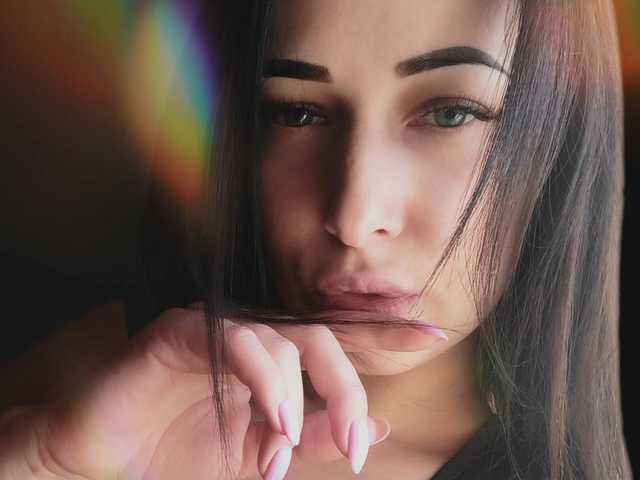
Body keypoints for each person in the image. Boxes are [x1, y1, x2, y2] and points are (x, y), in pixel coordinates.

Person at [0, 0, 633, 479]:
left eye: (450, 113)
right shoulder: (90, 385)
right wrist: (44, 464)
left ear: (559, 149)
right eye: (297, 113)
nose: (353, 216)